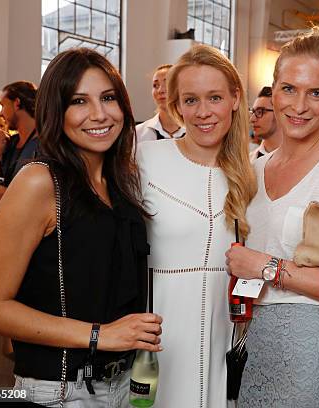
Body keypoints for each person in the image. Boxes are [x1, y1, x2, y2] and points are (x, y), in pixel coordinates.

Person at [0, 48, 162, 407]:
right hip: (61, 390)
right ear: (55, 111)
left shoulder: (121, 181)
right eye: (79, 101)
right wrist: (99, 335)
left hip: (125, 384)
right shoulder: (39, 182)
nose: (99, 114)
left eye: (108, 98)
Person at [225, 25, 319, 407]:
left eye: (316, 93)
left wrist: (267, 267)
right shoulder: (255, 169)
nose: (298, 105)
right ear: (273, 88)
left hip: (316, 352)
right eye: (289, 89)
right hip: (256, 344)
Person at [136, 44, 256, 407]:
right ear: (175, 105)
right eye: (190, 100)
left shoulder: (251, 173)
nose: (203, 112)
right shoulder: (144, 159)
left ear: (235, 98)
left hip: (227, 334)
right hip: (159, 336)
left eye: (215, 97)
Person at [0, 81, 39, 208]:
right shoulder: (11, 142)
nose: (0, 114)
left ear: (17, 103)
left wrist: (8, 195)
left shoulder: (46, 144)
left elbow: (52, 195)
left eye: (3, 105)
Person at [136, 64, 186, 143]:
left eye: (167, 84)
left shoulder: (195, 131)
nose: (160, 90)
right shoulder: (137, 134)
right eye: (155, 85)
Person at [249, 86, 282, 161]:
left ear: (279, 113)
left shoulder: (303, 160)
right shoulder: (247, 162)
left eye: (260, 112)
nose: (252, 119)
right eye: (253, 112)